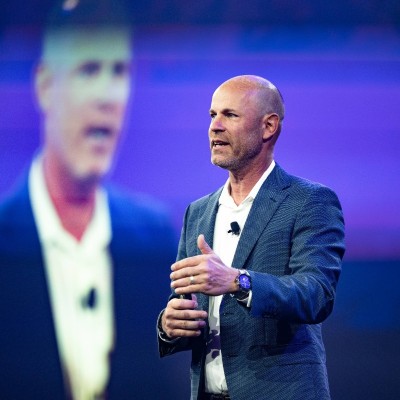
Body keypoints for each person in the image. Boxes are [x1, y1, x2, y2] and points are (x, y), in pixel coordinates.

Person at [0, 2, 177, 399]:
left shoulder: (154, 238)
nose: (107, 95)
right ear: (45, 86)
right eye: (89, 70)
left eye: (120, 71)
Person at [157, 75, 345, 400]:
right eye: (212, 115)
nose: (215, 127)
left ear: (268, 126)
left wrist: (238, 281)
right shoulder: (198, 212)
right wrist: (170, 325)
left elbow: (316, 295)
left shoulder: (309, 201)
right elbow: (186, 305)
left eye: (229, 115)